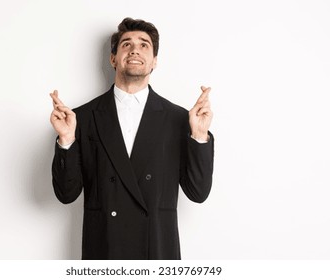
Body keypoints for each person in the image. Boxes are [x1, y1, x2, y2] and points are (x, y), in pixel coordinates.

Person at [49, 17, 214, 260]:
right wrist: (66, 140)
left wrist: (199, 135)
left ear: (154, 62)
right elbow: (66, 194)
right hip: (104, 253)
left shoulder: (179, 119)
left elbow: (198, 193)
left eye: (144, 45)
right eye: (126, 44)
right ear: (113, 58)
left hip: (156, 253)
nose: (135, 49)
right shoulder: (81, 118)